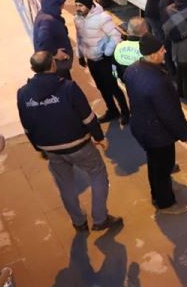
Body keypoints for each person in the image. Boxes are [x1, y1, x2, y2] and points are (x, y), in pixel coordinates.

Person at [17, 51, 122, 232]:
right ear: (53, 65)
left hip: (51, 149)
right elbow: (87, 117)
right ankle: (100, 218)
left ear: (33, 69)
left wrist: (39, 148)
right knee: (97, 173)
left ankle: (78, 222)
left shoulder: (23, 94)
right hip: (78, 144)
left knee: (65, 184)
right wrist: (99, 137)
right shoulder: (68, 87)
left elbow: (26, 125)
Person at [123, 34, 187, 215]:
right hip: (158, 133)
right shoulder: (157, 82)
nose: (165, 51)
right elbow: (169, 113)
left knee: (154, 163)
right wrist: (184, 134)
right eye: (162, 49)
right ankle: (166, 203)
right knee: (163, 167)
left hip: (141, 126)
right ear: (153, 55)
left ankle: (156, 194)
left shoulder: (132, 70)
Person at [74, 0, 130, 126]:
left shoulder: (102, 18)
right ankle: (112, 111)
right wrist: (80, 55)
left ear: (88, 5)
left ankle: (125, 112)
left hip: (105, 60)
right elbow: (79, 38)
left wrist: (107, 52)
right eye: (76, 5)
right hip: (91, 60)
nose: (78, 8)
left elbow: (116, 35)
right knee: (101, 87)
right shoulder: (78, 19)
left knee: (112, 87)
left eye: (80, 5)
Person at [33, 0, 74, 79]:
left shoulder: (43, 14)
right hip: (57, 66)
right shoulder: (47, 20)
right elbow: (43, 41)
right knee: (64, 88)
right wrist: (54, 53)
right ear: (55, 6)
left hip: (55, 64)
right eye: (61, 6)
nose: (62, 9)